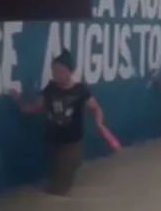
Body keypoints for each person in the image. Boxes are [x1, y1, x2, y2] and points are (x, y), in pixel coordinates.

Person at [9, 50, 106, 195]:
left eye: (60, 70)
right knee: (56, 184)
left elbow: (96, 109)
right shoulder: (50, 88)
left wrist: (99, 123)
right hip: (54, 144)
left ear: (71, 71)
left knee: (58, 191)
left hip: (72, 147)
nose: (56, 74)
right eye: (54, 71)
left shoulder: (81, 90)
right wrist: (18, 100)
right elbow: (34, 107)